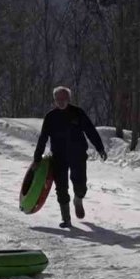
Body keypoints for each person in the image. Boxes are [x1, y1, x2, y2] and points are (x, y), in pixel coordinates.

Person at [33, 86, 106, 228]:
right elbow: (42, 139)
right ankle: (66, 218)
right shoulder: (50, 117)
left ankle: (78, 199)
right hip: (59, 156)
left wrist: (100, 148)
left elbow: (90, 130)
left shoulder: (77, 113)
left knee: (80, 185)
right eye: (58, 99)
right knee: (61, 187)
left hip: (77, 154)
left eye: (64, 99)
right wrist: (37, 159)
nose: (61, 102)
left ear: (69, 99)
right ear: (54, 100)